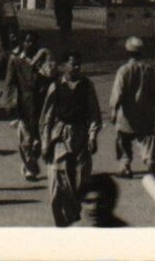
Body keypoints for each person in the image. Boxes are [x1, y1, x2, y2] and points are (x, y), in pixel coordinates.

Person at [38, 51, 101, 227]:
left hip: (81, 135)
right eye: (73, 64)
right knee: (58, 183)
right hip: (60, 136)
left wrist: (93, 136)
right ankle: (60, 221)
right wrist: (44, 144)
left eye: (79, 64)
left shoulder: (87, 86)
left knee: (81, 180)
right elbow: (47, 118)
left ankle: (72, 211)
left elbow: (94, 114)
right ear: (64, 65)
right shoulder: (56, 86)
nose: (77, 67)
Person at [109, 36, 155, 179]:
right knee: (147, 140)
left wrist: (113, 110)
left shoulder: (124, 70)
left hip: (127, 114)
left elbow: (117, 92)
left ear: (127, 52)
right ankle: (151, 163)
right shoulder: (148, 69)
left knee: (123, 140)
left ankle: (125, 166)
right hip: (145, 113)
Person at [2, 33, 48, 179]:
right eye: (27, 41)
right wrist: (9, 102)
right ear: (22, 43)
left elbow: (52, 77)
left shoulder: (43, 59)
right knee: (26, 140)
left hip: (42, 105)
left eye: (33, 41)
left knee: (38, 142)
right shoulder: (16, 60)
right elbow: (9, 83)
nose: (30, 44)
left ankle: (32, 160)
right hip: (24, 105)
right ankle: (29, 167)